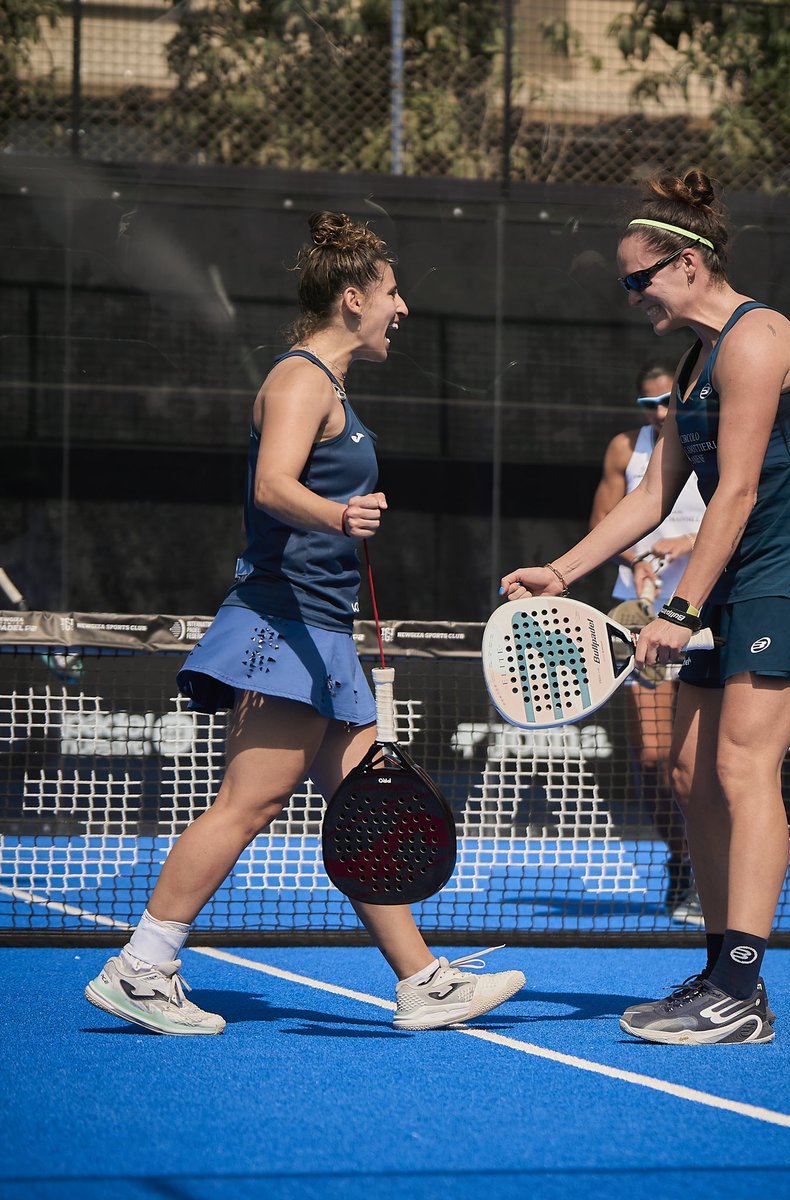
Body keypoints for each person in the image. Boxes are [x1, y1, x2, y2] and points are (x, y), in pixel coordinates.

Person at [86, 211, 524, 1035]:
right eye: (392, 293)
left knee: (367, 805)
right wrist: (341, 515)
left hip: (321, 633)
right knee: (248, 806)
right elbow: (274, 488)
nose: (402, 309)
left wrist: (337, 525)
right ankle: (142, 967)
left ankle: (422, 981)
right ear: (353, 298)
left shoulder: (332, 387)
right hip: (283, 626)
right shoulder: (299, 381)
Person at [501, 169, 790, 1044]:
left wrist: (679, 607)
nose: (633, 297)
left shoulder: (755, 340)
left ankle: (742, 991)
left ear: (690, 263)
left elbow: (736, 492)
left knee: (742, 770)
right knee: (691, 776)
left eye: (641, 280)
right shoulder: (697, 360)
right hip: (734, 580)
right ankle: (718, 972)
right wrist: (563, 568)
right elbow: (660, 489)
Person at [589, 364, 705, 926]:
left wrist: (690, 540)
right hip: (636, 618)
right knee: (656, 758)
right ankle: (682, 860)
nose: (659, 413)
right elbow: (604, 523)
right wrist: (636, 562)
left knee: (703, 762)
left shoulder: (713, 440)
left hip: (707, 618)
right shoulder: (625, 450)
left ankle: (712, 870)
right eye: (649, 404)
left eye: (667, 402)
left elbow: (749, 512)